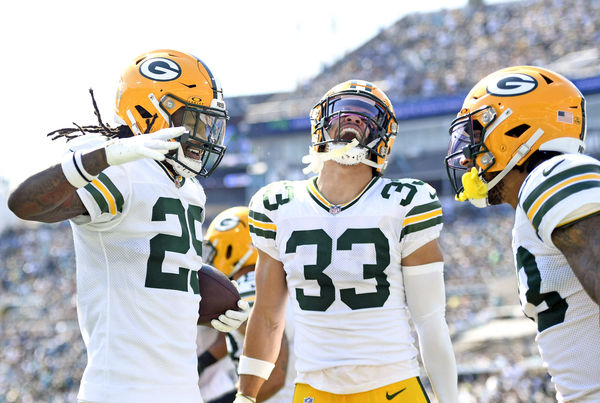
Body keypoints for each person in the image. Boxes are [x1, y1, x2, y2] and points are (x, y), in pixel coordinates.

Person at [7, 49, 250, 403]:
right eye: (195, 121)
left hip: (182, 390)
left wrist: (209, 306)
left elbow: (158, 278)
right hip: (123, 391)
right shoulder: (125, 168)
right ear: (151, 111)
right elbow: (24, 204)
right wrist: (105, 157)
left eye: (210, 124)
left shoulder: (190, 190)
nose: (205, 136)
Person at [235, 80, 459, 403]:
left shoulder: (406, 202)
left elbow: (430, 320)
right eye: (343, 113)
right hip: (314, 389)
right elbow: (268, 316)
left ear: (384, 138)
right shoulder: (278, 205)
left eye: (367, 118)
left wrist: (450, 400)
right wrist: (245, 396)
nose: (354, 121)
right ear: (319, 126)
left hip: (392, 386)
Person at [444, 65, 600, 402]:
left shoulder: (553, 174)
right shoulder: (539, 194)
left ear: (516, 129)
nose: (467, 153)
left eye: (476, 133)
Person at [202, 206, 294, 402]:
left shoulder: (248, 288)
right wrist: (203, 361)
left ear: (231, 248)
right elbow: (243, 333)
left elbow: (273, 378)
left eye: (214, 249)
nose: (211, 258)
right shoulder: (272, 282)